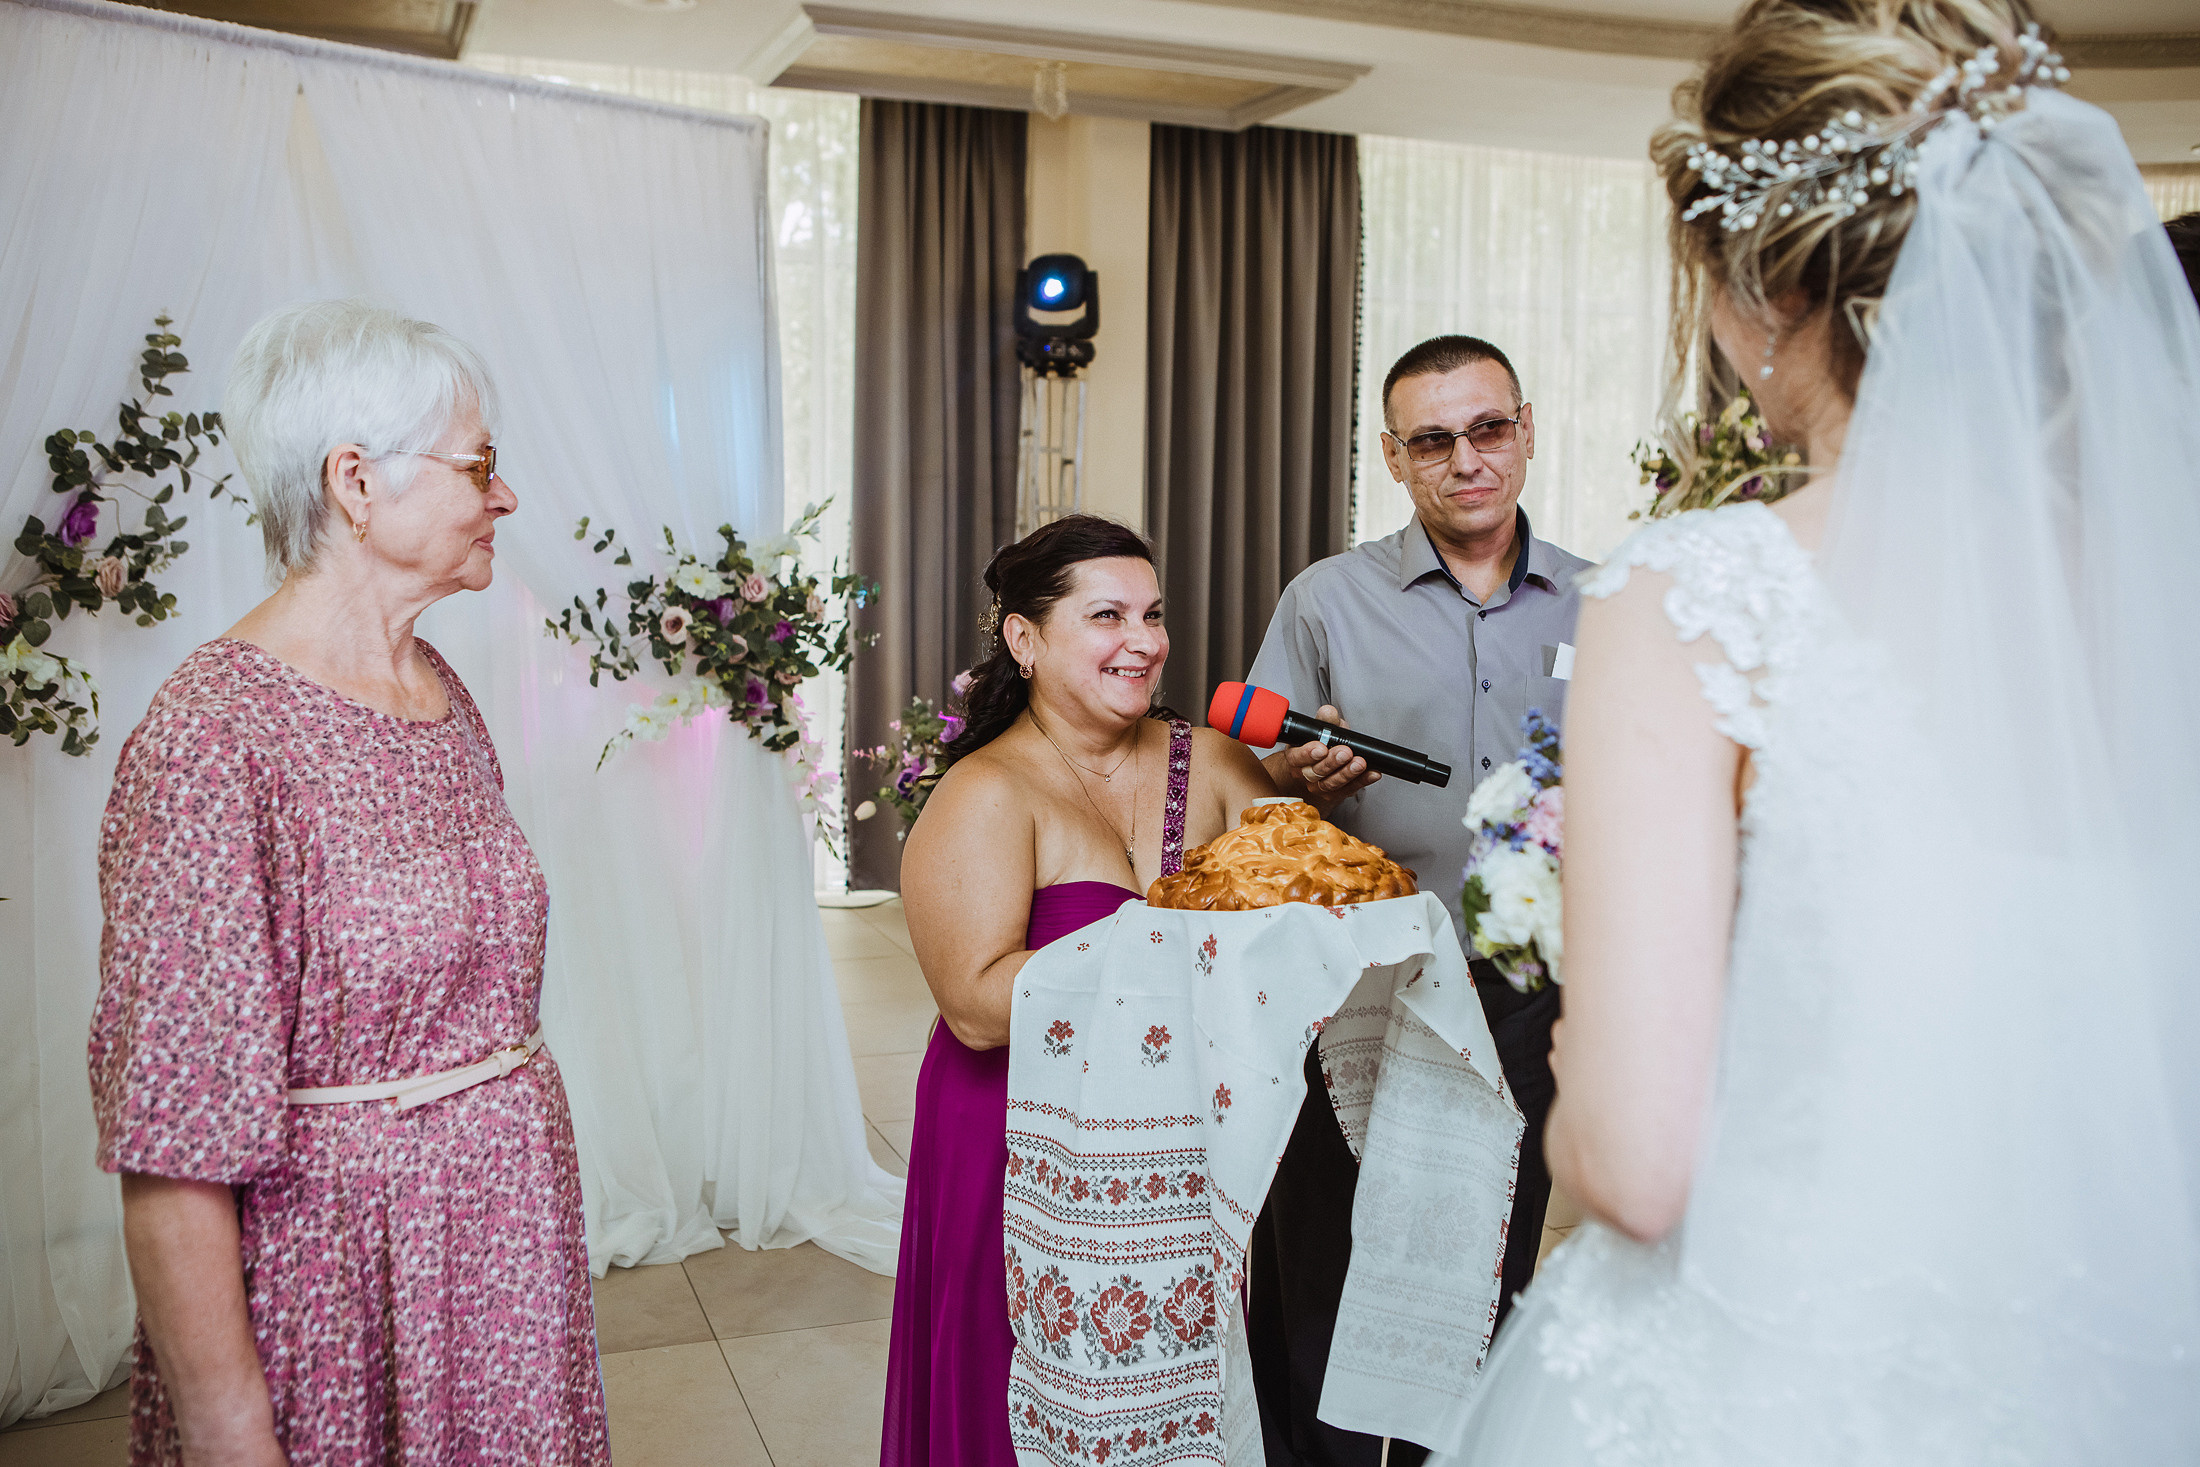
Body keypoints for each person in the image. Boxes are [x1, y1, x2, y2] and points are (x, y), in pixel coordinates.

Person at [1442, 1, 2200, 1462]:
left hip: (1777, 1367)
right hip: (2113, 1357)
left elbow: (1641, 1161)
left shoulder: (1697, 592)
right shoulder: (2166, 592)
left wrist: (1567, 1129)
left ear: (1755, 286)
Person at [88, 300, 608, 1465]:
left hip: (497, 1270)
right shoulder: (213, 739)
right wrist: (232, 1436)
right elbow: (174, 1142)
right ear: (357, 483)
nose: (505, 496)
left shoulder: (438, 691)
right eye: (481, 466)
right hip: (337, 1291)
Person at [1241, 336, 1591, 1467]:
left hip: (1524, 993)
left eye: (1487, 430)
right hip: (1356, 985)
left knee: (1484, 1248)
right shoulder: (1325, 601)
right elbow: (1253, 782)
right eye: (1433, 441)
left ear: (1525, 429)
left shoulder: (1599, 605)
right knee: (1329, 1255)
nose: (1466, 460)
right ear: (1394, 459)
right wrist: (1295, 773)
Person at [882, 514, 1282, 1466]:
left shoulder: (1211, 761)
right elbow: (977, 1006)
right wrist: (1169, 960)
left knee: (1168, 1372)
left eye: (1152, 614)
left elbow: (1293, 905)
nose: (1144, 641)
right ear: (1024, 638)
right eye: (1108, 615)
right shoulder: (987, 791)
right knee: (1019, 1373)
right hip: (1016, 1137)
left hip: (1171, 1133)